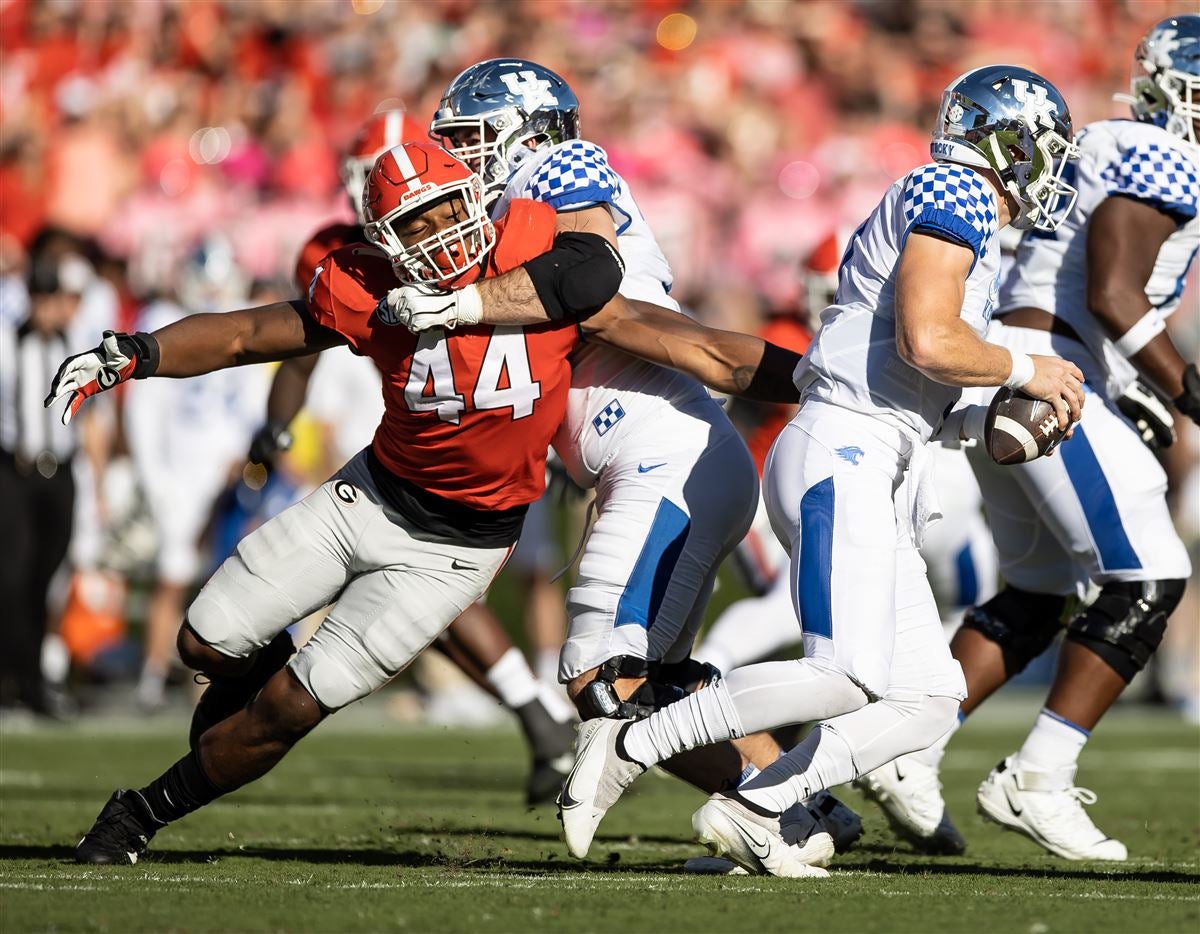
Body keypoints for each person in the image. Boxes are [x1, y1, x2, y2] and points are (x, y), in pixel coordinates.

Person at [50, 142, 804, 865]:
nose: (439, 234)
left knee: (290, 709)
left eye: (448, 210)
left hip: (457, 552)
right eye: (416, 223)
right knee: (204, 645)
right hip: (368, 498)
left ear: (476, 200)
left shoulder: (536, 260)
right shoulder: (365, 284)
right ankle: (240, 713)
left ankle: (141, 812)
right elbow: (253, 334)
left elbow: (680, 333)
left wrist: (819, 387)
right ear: (382, 238)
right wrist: (135, 353)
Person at [530, 65, 1088, 877]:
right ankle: (635, 738)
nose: (1053, 169)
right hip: (846, 449)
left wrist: (994, 421)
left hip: (880, 451)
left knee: (927, 702)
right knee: (844, 673)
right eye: (1047, 149)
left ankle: (758, 810)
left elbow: (918, 383)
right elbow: (928, 341)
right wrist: (1024, 368)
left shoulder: (962, 214)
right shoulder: (957, 190)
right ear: (1007, 144)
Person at [393, 61, 820, 844]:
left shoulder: (561, 166)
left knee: (599, 676)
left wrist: (467, 302)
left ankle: (787, 805)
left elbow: (590, 281)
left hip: (664, 452)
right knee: (647, 685)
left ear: (530, 131)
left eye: (471, 138)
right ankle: (798, 802)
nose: (460, 156)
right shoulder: (499, 211)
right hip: (656, 455)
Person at [868, 16, 1199, 861]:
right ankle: (1038, 775)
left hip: (1030, 365)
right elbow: (1118, 293)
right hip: (1053, 373)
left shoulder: (1108, 142)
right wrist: (1186, 390)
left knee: (1039, 588)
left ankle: (909, 750)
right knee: (1149, 576)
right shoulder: (1165, 153)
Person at [251, 109, 578, 804]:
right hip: (419, 439)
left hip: (517, 426)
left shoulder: (508, 225)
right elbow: (296, 349)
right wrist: (276, 428)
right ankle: (539, 714)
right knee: (418, 584)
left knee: (511, 574)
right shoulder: (339, 256)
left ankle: (554, 710)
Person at [124, 236, 267, 711]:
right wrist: (155, 476)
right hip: (181, 467)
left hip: (224, 466)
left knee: (227, 576)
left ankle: (212, 682)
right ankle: (152, 674)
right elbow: (145, 411)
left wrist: (245, 457)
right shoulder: (161, 320)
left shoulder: (243, 317)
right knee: (173, 572)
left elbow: (251, 399)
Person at [0, 250, 95, 718]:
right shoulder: (6, 343)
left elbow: (91, 418)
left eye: (52, 297)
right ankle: (20, 678)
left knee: (45, 579)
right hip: (16, 473)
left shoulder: (72, 345)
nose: (46, 307)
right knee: (12, 578)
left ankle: (28, 678)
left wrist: (94, 480)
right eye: (39, 297)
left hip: (61, 473)